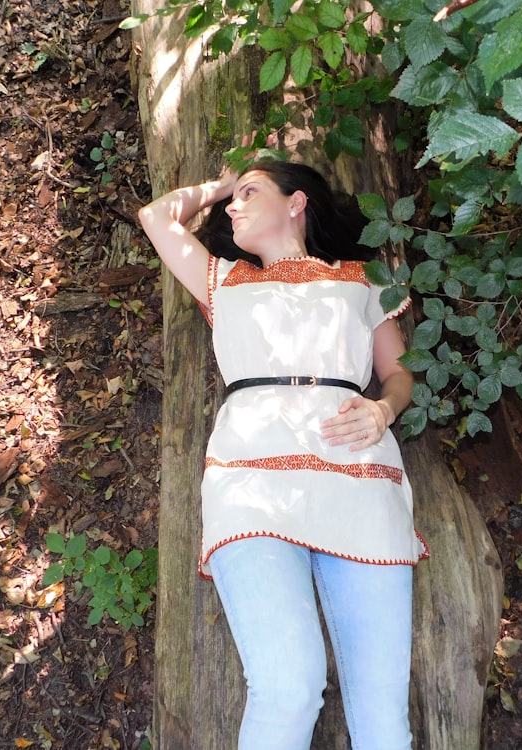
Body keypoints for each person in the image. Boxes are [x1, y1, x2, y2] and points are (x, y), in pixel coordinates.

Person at [138, 153, 428, 750]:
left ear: (296, 203)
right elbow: (155, 217)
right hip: (250, 482)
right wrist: (218, 186)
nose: (233, 206)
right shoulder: (225, 280)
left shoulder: (361, 279)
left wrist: (382, 409)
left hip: (359, 475)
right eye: (233, 198)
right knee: (288, 686)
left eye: (250, 192)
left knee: (383, 716)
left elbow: (399, 375)